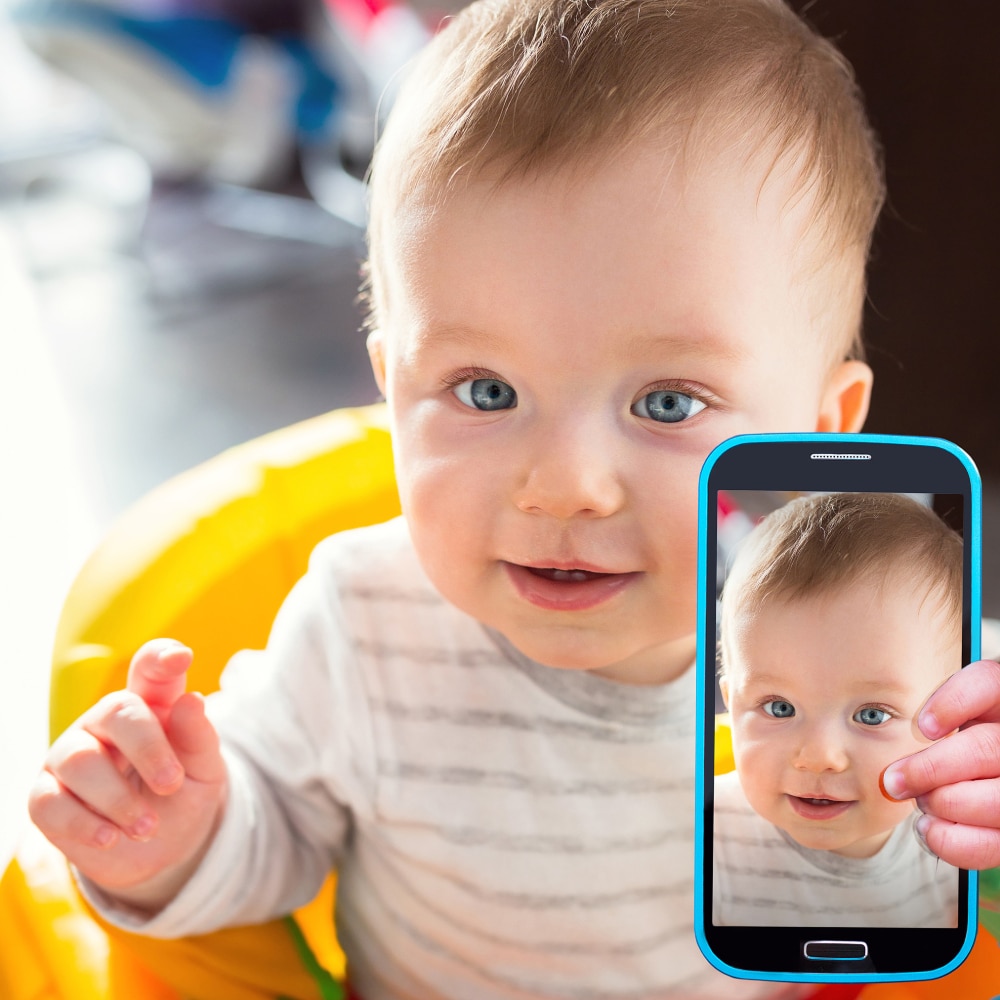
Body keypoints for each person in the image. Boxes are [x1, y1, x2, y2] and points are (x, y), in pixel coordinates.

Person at [27, 0, 1000, 997]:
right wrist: (174, 837)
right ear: (391, 391)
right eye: (485, 390)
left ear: (822, 429)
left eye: (668, 401)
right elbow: (269, 845)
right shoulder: (360, 626)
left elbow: (921, 874)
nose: (564, 486)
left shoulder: (905, 642)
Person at [713, 492, 963, 928]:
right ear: (732, 705)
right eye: (779, 707)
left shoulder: (963, 832)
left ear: (955, 724)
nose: (818, 756)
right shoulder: (703, 838)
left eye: (872, 715)